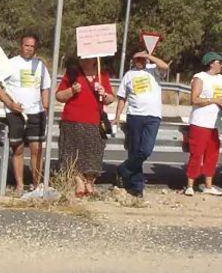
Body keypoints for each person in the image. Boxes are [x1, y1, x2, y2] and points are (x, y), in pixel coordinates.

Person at [0, 32, 51, 195]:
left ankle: (37, 185)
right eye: (26, 45)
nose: (29, 49)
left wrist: (45, 106)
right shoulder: (10, 64)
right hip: (15, 114)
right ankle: (19, 185)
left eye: (32, 46)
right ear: (21, 46)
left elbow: (45, 88)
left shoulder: (40, 66)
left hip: (36, 113)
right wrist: (10, 104)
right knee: (17, 149)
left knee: (37, 149)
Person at [112, 49, 169, 198]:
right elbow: (122, 98)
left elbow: (165, 66)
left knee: (146, 150)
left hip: (153, 116)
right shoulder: (129, 75)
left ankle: (123, 169)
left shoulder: (153, 70)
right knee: (134, 150)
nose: (139, 61)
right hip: (135, 116)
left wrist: (148, 55)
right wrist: (117, 116)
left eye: (142, 59)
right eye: (137, 59)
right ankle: (136, 186)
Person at [54, 55, 113, 198]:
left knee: (93, 153)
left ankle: (90, 181)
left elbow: (110, 99)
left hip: (94, 121)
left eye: (88, 58)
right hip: (72, 120)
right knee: (72, 152)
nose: (85, 61)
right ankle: (78, 181)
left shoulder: (102, 75)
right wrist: (72, 91)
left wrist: (104, 94)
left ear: (95, 59)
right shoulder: (72, 74)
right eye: (83, 58)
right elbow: (59, 96)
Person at [185, 52, 222, 197]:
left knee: (212, 154)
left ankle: (208, 185)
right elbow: (194, 99)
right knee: (197, 153)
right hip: (200, 122)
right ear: (211, 63)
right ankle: (190, 185)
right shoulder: (200, 77)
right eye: (219, 62)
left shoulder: (221, 78)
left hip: (215, 123)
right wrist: (214, 100)